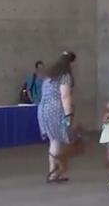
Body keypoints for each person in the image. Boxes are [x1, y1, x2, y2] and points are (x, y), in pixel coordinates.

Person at [37, 51, 76, 183]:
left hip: (43, 109)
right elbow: (65, 96)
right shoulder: (64, 76)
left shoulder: (49, 76)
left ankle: (53, 171)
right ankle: (54, 174)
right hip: (55, 109)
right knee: (56, 141)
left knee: (53, 140)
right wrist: (68, 114)